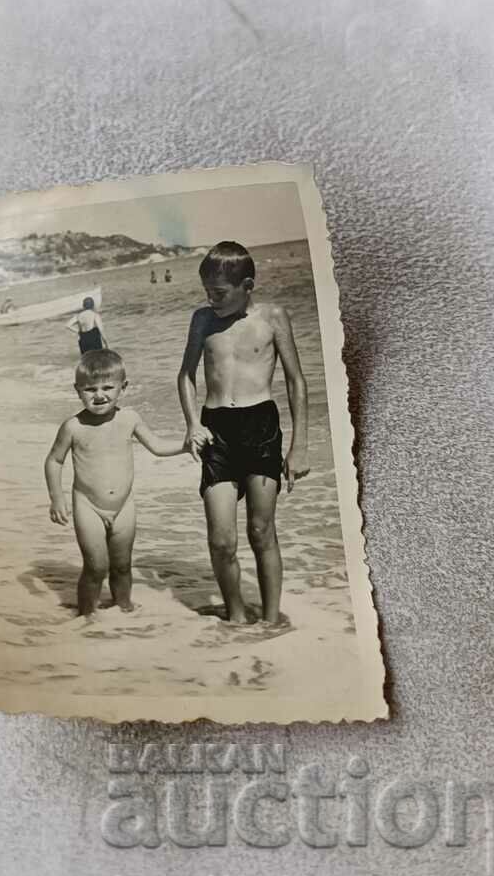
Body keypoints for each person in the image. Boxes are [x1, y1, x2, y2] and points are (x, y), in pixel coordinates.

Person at [178, 241, 310, 626]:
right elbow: (185, 375)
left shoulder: (273, 317)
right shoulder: (202, 320)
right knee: (221, 540)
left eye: (219, 293)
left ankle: (270, 622)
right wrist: (191, 424)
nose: (211, 300)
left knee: (260, 529)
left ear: (247, 284)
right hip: (216, 430)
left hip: (260, 427)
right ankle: (236, 619)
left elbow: (296, 381)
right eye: (207, 292)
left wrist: (300, 445)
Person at [44, 350, 186, 622]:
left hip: (124, 506)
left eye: (108, 387)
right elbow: (54, 461)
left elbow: (156, 446)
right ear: (78, 391)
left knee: (122, 566)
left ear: (124, 387)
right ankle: (86, 616)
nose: (99, 395)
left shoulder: (129, 418)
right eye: (90, 389)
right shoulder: (73, 426)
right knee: (97, 567)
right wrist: (56, 498)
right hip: (88, 506)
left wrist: (187, 445)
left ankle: (125, 611)